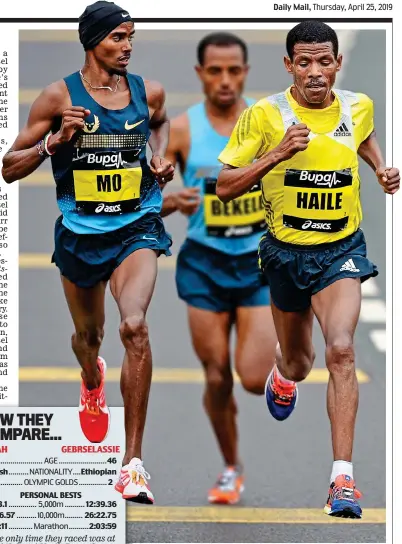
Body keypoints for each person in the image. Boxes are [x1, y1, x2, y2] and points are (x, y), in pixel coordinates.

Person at [216, 20, 399, 518]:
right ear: (289, 65)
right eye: (304, 61)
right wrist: (278, 153)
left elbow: (361, 134)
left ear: (338, 63)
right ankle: (284, 370)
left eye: (324, 61)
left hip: (340, 249)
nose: (315, 72)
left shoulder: (358, 104)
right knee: (301, 361)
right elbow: (226, 186)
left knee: (342, 349)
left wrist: (379, 166)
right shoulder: (264, 115)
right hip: (283, 253)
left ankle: (342, 481)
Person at [1, 1, 175, 505]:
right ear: (92, 41)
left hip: (137, 226)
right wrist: (54, 143)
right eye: (117, 38)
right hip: (80, 233)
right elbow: (10, 168)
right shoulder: (58, 95)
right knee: (89, 336)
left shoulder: (148, 91)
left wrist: (158, 157)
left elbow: (159, 123)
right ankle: (90, 376)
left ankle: (133, 464)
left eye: (131, 37)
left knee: (134, 326)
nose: (127, 46)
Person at [161, 32, 277, 505]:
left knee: (253, 380)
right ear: (200, 74)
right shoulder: (183, 130)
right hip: (205, 265)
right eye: (215, 71)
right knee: (214, 377)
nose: (225, 80)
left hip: (258, 264)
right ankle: (231, 466)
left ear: (246, 72)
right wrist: (173, 200)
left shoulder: (267, 125)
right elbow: (149, 197)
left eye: (234, 70)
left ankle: (293, 346)